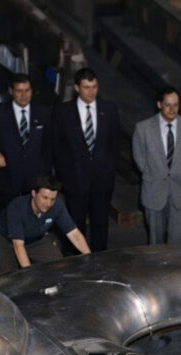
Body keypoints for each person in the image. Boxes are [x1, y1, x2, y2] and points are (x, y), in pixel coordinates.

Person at [51, 68, 121, 252]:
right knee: (74, 226)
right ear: (76, 88)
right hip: (75, 182)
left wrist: (109, 171)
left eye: (95, 86)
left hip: (102, 182)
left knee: (100, 226)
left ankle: (99, 266)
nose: (91, 92)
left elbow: (115, 145)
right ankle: (75, 267)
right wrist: (65, 177)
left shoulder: (109, 109)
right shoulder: (63, 112)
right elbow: (57, 148)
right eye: (86, 87)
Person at [132, 86, 181, 245]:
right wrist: (153, 172)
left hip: (179, 191)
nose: (172, 109)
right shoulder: (143, 129)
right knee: (155, 241)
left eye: (175, 105)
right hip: (154, 191)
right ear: (159, 104)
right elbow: (139, 157)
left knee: (176, 241)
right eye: (167, 104)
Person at [0, 73, 53, 215]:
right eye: (19, 91)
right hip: (7, 178)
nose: (24, 95)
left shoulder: (44, 113)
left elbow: (50, 145)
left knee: (32, 221)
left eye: (27, 90)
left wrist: (46, 175)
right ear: (11, 91)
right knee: (5, 220)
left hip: (35, 181)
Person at [0, 176, 90, 273]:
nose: (48, 204)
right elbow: (18, 245)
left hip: (35, 238)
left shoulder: (57, 206)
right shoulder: (17, 208)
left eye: (52, 199)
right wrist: (29, 275)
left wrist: (91, 260)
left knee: (58, 266)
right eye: (44, 198)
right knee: (9, 277)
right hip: (3, 240)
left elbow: (74, 234)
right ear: (33, 193)